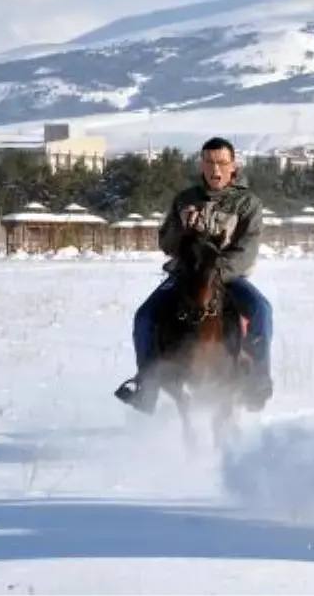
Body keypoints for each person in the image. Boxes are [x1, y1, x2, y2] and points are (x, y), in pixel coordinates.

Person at [114, 136, 274, 413]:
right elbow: (166, 242)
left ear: (233, 166)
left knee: (262, 309)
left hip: (227, 277)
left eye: (222, 163)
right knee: (145, 317)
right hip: (183, 277)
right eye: (210, 162)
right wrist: (182, 230)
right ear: (201, 165)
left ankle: (257, 379)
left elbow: (245, 251)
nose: (216, 169)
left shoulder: (248, 204)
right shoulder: (184, 200)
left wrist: (212, 272)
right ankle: (145, 386)